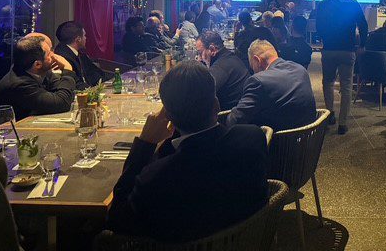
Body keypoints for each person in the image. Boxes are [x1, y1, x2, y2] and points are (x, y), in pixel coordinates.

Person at [107, 61, 268, 242]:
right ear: (216, 105)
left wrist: (145, 144)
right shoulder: (253, 138)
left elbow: (116, 219)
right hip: (248, 241)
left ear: (168, 117)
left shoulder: (156, 177)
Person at [0, 37, 76, 127]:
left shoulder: (37, 70)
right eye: (49, 54)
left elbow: (59, 92)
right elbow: (62, 103)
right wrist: (68, 71)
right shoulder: (20, 84)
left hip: (24, 128)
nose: (54, 55)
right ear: (37, 64)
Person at [316, 0, 368, 135]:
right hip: (347, 50)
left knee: (328, 83)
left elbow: (318, 27)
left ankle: (330, 114)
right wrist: (362, 44)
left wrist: (324, 38)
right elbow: (363, 25)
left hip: (329, 50)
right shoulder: (352, 3)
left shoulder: (323, 5)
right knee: (346, 86)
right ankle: (343, 123)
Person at [226, 40, 316, 132]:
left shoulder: (258, 81)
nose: (253, 71)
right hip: (308, 135)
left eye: (252, 66)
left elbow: (235, 120)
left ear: (257, 60)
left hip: (277, 138)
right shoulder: (300, 69)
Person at [196, 31, 250, 110]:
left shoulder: (221, 67)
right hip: (240, 109)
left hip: (229, 113)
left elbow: (201, 93)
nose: (199, 58)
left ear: (212, 49)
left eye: (200, 53)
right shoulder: (229, 57)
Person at [54, 21, 113, 90]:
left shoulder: (79, 54)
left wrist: (114, 79)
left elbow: (95, 72)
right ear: (78, 39)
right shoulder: (63, 56)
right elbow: (76, 84)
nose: (85, 38)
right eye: (84, 35)